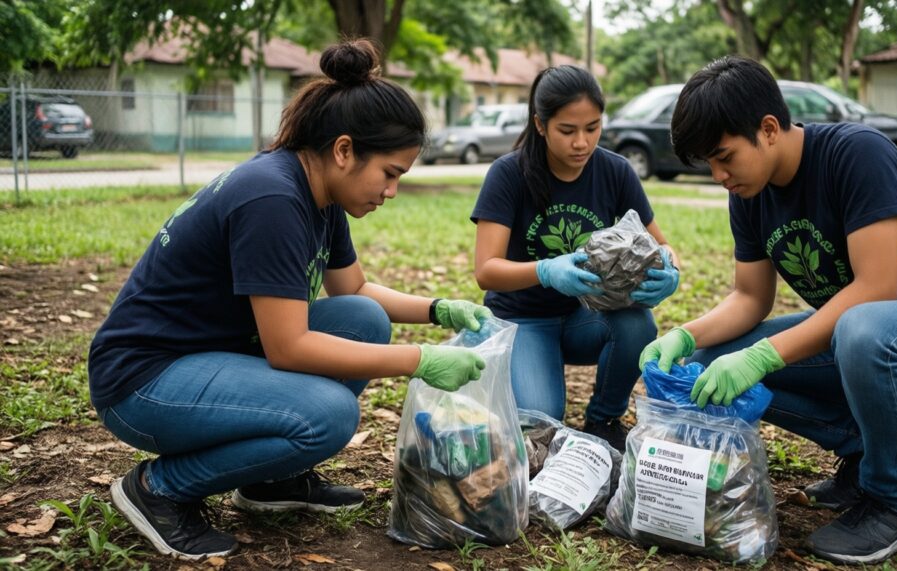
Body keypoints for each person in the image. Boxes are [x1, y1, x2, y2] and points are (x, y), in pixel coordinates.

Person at [88, 40, 492, 561]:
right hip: (143, 382)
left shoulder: (319, 193)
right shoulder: (273, 198)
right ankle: (158, 488)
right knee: (328, 415)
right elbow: (289, 348)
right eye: (390, 173)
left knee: (361, 317)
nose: (391, 191)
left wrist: (440, 309)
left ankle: (271, 480)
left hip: (205, 357)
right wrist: (420, 361)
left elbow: (356, 291)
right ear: (344, 150)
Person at [640, 56, 897, 564]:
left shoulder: (856, 155)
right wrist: (685, 336)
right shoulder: (750, 192)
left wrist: (763, 357)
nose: (719, 175)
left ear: (768, 129)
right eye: (709, 164)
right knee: (709, 361)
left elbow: (876, 289)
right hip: (864, 340)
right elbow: (750, 297)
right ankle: (875, 448)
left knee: (860, 328)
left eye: (724, 157)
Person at [471, 65, 680, 452]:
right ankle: (509, 373)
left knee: (637, 324)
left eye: (593, 127)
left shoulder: (615, 171)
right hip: (522, 318)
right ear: (540, 124)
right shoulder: (508, 174)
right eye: (567, 131)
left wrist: (669, 269)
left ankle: (603, 418)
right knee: (543, 421)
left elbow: (661, 244)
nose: (582, 142)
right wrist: (546, 270)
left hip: (587, 315)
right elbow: (486, 271)